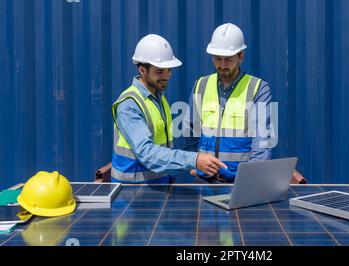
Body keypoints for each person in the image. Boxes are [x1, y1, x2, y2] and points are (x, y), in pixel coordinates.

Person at [183, 23, 306, 184]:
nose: (222, 65)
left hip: (239, 182)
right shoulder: (201, 85)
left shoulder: (258, 88)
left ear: (241, 56)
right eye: (217, 59)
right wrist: (192, 160)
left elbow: (262, 141)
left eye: (228, 59)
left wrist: (250, 180)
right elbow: (192, 129)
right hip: (203, 179)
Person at [111, 34, 226, 184]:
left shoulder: (158, 97)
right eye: (159, 72)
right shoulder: (129, 105)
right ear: (142, 70)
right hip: (131, 193)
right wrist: (194, 159)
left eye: (169, 70)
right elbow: (146, 152)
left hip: (156, 188)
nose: (167, 76)